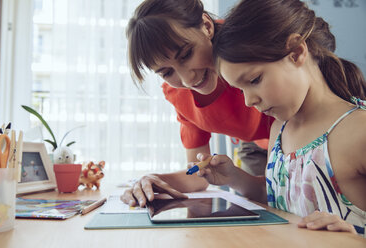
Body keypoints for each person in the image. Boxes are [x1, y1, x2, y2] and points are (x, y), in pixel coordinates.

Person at [196, 0, 365, 236]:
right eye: (240, 89)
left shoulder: (359, 131)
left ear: (296, 52)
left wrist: (355, 236)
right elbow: (283, 199)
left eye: (254, 80)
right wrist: (235, 178)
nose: (248, 101)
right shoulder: (278, 131)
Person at [120, 0, 274, 208]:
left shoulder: (249, 50)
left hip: (294, 131)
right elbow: (199, 174)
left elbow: (278, 190)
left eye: (186, 55)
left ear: (207, 26)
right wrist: (154, 180)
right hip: (254, 145)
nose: (187, 79)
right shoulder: (178, 93)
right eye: (167, 72)